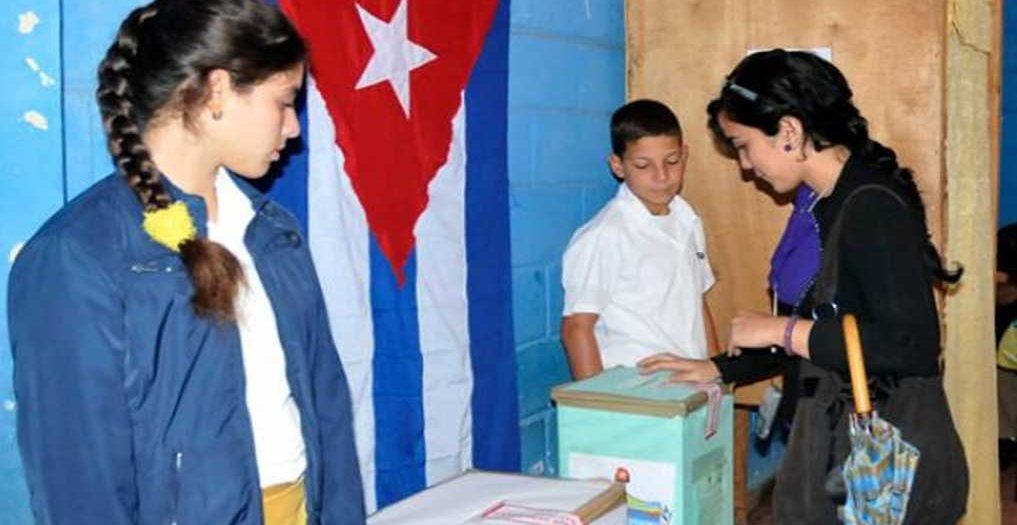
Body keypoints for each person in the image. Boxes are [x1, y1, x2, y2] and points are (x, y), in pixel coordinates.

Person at [7, 1, 365, 524]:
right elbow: (80, 485)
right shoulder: (77, 257)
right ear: (218, 91)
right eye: (284, 102)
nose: (293, 129)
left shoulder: (272, 231)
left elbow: (328, 415)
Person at [638, 49, 968, 524]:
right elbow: (830, 325)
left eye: (744, 145)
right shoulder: (827, 203)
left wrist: (779, 330)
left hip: (885, 466)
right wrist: (720, 369)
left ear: (789, 132)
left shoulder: (869, 206)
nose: (746, 165)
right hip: (844, 452)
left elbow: (910, 345)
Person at [561, 99, 717, 380]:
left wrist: (719, 377)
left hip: (693, 383)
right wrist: (599, 408)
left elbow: (698, 303)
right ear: (618, 166)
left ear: (685, 155)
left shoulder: (687, 219)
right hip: (635, 390)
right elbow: (576, 328)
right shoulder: (605, 235)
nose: (662, 176)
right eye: (643, 165)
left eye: (672, 161)